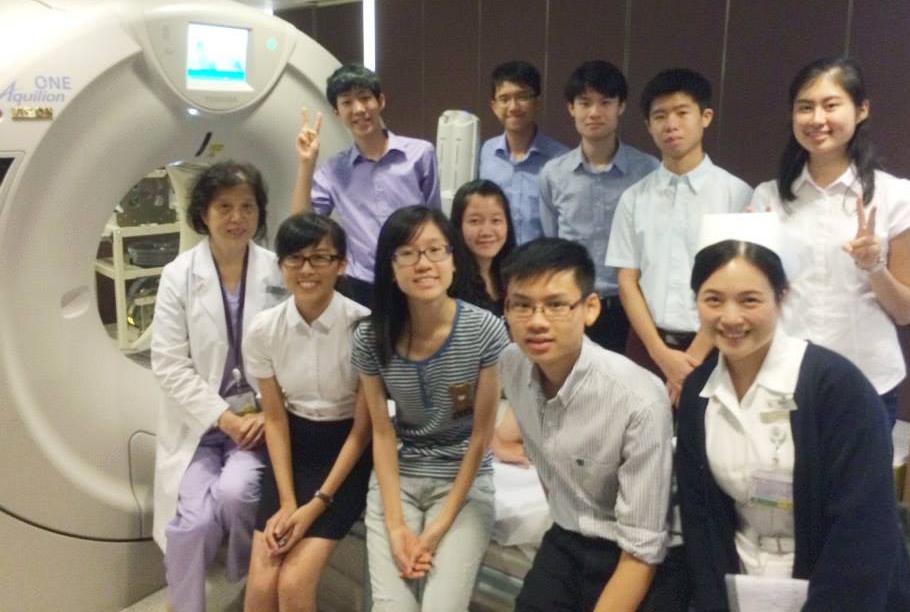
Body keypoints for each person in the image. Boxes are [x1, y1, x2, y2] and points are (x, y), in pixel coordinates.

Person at [675, 213, 910, 611]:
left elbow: (863, 535)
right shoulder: (697, 394)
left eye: (750, 300)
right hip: (743, 584)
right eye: (713, 299)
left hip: (837, 591)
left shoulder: (838, 389)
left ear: (782, 296)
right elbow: (701, 522)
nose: (731, 317)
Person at [498, 237, 674, 611]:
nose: (537, 322)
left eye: (556, 305)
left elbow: (643, 547)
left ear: (590, 308)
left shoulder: (637, 397)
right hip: (567, 535)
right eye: (522, 306)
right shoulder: (512, 364)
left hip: (634, 554)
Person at [752, 56, 910, 428]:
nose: (817, 119)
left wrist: (874, 266)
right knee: (780, 469)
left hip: (866, 381)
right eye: (805, 107)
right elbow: (757, 296)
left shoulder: (897, 196)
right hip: (784, 378)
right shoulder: (767, 197)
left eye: (831, 105)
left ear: (861, 110)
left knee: (857, 470)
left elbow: (906, 311)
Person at [352, 206, 510, 611]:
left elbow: (480, 437)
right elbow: (381, 432)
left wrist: (436, 530)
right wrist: (395, 527)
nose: (423, 264)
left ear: (454, 261)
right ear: (391, 268)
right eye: (407, 253)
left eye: (436, 250)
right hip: (399, 480)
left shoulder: (486, 331)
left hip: (464, 484)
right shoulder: (371, 337)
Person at [151, 161, 286, 612]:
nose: (237, 217)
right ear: (203, 214)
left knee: (236, 494)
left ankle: (243, 582)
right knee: (193, 524)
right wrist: (224, 418)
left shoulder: (278, 271)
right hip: (202, 425)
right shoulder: (179, 275)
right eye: (224, 206)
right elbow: (169, 364)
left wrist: (267, 413)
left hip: (259, 425)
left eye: (247, 206)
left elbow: (293, 353)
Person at [242, 213, 373, 612]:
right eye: (295, 259)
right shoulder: (264, 329)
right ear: (281, 265)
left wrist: (316, 504)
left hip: (347, 455)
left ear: (341, 263)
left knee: (293, 585)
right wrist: (287, 502)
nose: (307, 269)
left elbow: (363, 430)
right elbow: (275, 418)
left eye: (320, 258)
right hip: (292, 451)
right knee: (261, 586)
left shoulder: (364, 327)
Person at [607, 68, 752, 401]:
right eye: (660, 116)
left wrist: (690, 362)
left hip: (717, 344)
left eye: (682, 113)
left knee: (706, 432)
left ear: (705, 117)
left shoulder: (737, 194)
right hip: (646, 345)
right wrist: (659, 353)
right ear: (648, 126)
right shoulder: (633, 198)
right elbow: (627, 281)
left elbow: (739, 285)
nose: (670, 124)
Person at [291, 64, 441, 308]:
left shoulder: (420, 154)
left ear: (380, 101)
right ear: (337, 113)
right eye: (347, 102)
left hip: (415, 275)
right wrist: (306, 163)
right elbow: (300, 226)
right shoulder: (334, 170)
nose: (358, 109)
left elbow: (435, 221)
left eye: (364, 98)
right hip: (362, 285)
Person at [539, 60, 658, 354]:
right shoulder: (553, 174)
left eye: (605, 102)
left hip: (631, 307)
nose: (594, 112)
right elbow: (553, 242)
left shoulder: (648, 170)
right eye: (584, 103)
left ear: (621, 106)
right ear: (571, 108)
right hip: (573, 304)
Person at [479, 60, 568, 244]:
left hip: (542, 259)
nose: (513, 107)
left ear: (537, 103)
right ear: (494, 107)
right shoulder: (485, 153)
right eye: (504, 99)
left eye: (522, 97)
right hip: (496, 259)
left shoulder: (560, 159)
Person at [449, 178, 517, 315]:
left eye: (496, 220)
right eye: (475, 221)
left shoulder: (514, 274)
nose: (486, 232)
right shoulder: (450, 281)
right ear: (458, 225)